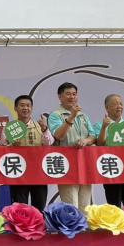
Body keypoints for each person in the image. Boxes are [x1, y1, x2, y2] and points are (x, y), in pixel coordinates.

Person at [48, 82, 95, 210]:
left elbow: (93, 135)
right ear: (60, 97)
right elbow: (58, 135)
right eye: (68, 94)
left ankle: (84, 224)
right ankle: (72, 224)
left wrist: (86, 141)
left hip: (84, 163)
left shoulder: (83, 116)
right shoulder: (55, 115)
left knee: (85, 206)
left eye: (74, 94)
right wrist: (72, 116)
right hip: (66, 163)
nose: (72, 97)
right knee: (71, 204)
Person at [6, 94, 52, 211]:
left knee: (39, 206)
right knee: (20, 208)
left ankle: (38, 223)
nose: (25, 108)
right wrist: (12, 145)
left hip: (38, 172)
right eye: (22, 105)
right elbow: (3, 147)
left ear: (31, 108)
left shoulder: (40, 126)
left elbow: (49, 143)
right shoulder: (10, 127)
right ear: (15, 108)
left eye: (28, 105)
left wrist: (45, 129)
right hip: (19, 172)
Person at [95, 94, 124, 207]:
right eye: (115, 104)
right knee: (114, 205)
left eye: (121, 104)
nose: (119, 106)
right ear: (107, 108)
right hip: (111, 169)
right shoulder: (100, 125)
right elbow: (100, 144)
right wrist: (104, 127)